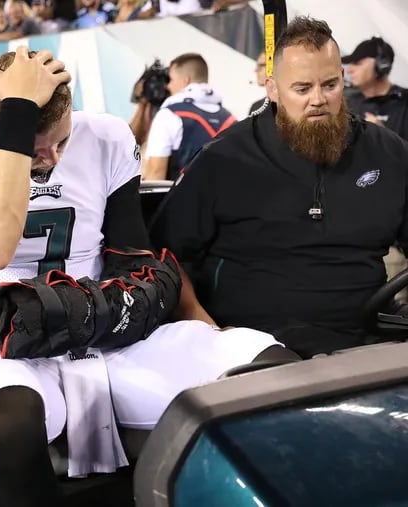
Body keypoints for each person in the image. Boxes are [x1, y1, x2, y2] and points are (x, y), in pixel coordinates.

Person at [0, 47, 293, 507]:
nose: (51, 157)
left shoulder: (104, 137)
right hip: (7, 351)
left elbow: (135, 256)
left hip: (103, 330)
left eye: (61, 141)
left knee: (270, 364)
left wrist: (197, 321)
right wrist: (17, 125)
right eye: (37, 146)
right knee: (11, 424)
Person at [155, 16, 408, 359]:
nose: (318, 99)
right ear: (273, 89)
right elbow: (166, 256)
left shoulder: (387, 151)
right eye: (302, 89)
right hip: (258, 347)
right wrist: (208, 332)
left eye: (330, 85)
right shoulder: (224, 159)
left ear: (343, 80)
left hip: (369, 339)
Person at [142, 53, 235, 181]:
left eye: (171, 80)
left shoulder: (168, 116)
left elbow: (155, 174)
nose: (168, 86)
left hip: (181, 200)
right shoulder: (232, 120)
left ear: (185, 80)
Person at [343, 37, 408, 141]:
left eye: (357, 63)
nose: (349, 70)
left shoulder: (404, 103)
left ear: (382, 65)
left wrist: (384, 135)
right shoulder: (347, 102)